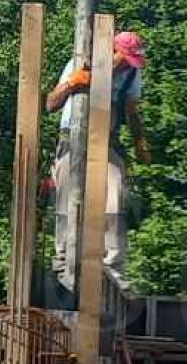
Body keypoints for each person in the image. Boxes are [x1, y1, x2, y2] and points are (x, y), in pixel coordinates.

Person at [50, 29, 152, 297]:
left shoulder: (131, 74)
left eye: (132, 62)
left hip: (107, 141)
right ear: (113, 52)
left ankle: (112, 267)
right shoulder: (82, 62)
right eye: (125, 60)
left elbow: (131, 112)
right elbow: (51, 104)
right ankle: (63, 261)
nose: (127, 67)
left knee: (115, 195)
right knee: (66, 198)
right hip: (72, 137)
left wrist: (140, 142)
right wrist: (72, 84)